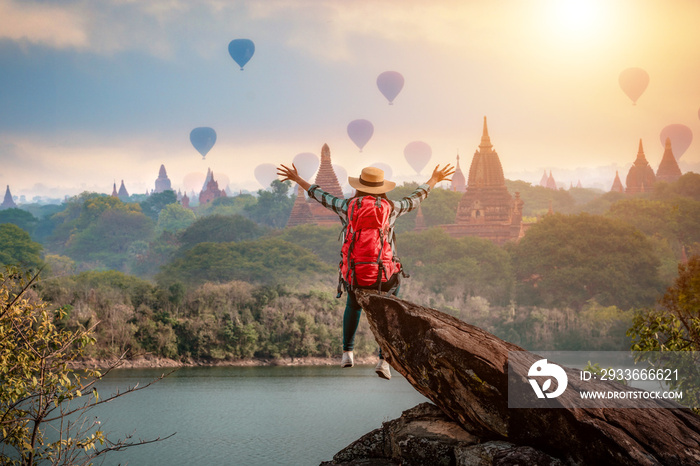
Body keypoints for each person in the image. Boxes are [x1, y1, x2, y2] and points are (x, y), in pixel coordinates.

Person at [277, 163, 454, 379]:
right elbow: (415, 198)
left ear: (359, 187)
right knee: (390, 309)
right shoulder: (392, 208)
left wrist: (298, 179)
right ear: (382, 188)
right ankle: (383, 360)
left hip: (356, 275)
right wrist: (434, 179)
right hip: (385, 277)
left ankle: (347, 352)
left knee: (353, 304)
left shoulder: (347, 206)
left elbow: (320, 195)